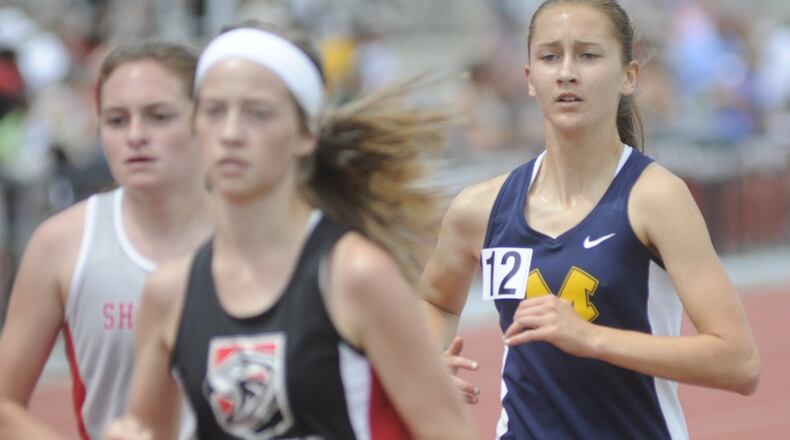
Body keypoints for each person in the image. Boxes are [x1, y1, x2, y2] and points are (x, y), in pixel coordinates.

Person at [103, 24, 476, 440]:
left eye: (257, 112)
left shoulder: (354, 275)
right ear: (194, 126)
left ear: (306, 134)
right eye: (214, 111)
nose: (230, 133)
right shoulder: (169, 293)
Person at [420, 1, 761, 439]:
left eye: (588, 55)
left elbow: (739, 363)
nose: (566, 72)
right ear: (529, 79)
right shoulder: (480, 209)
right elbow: (436, 301)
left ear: (629, 76)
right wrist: (426, 362)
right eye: (549, 56)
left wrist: (590, 338)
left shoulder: (654, 198)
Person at [0, 41, 211, 439]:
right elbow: (4, 406)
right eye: (116, 120)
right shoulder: (63, 244)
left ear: (205, 120)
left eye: (159, 116)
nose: (135, 135)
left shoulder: (255, 236)